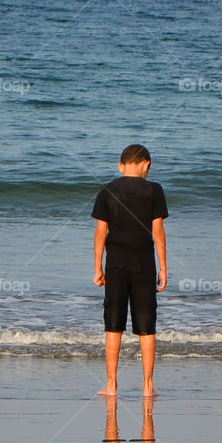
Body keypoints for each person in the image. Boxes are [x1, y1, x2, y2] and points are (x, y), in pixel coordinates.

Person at [92, 144, 168, 397]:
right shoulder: (154, 190)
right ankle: (148, 385)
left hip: (115, 264)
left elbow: (100, 233)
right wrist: (164, 267)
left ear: (121, 166)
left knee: (113, 325)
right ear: (145, 164)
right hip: (144, 264)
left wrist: (97, 268)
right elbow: (158, 232)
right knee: (147, 325)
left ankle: (112, 384)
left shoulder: (107, 189)